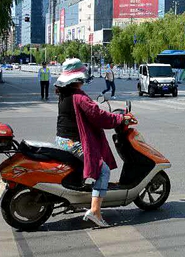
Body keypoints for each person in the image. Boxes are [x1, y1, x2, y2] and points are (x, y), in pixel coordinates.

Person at [54, 58, 131, 228]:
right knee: (102, 170)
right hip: (72, 142)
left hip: (61, 139)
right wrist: (120, 119)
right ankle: (95, 211)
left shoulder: (63, 93)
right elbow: (98, 116)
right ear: (77, 78)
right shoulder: (79, 96)